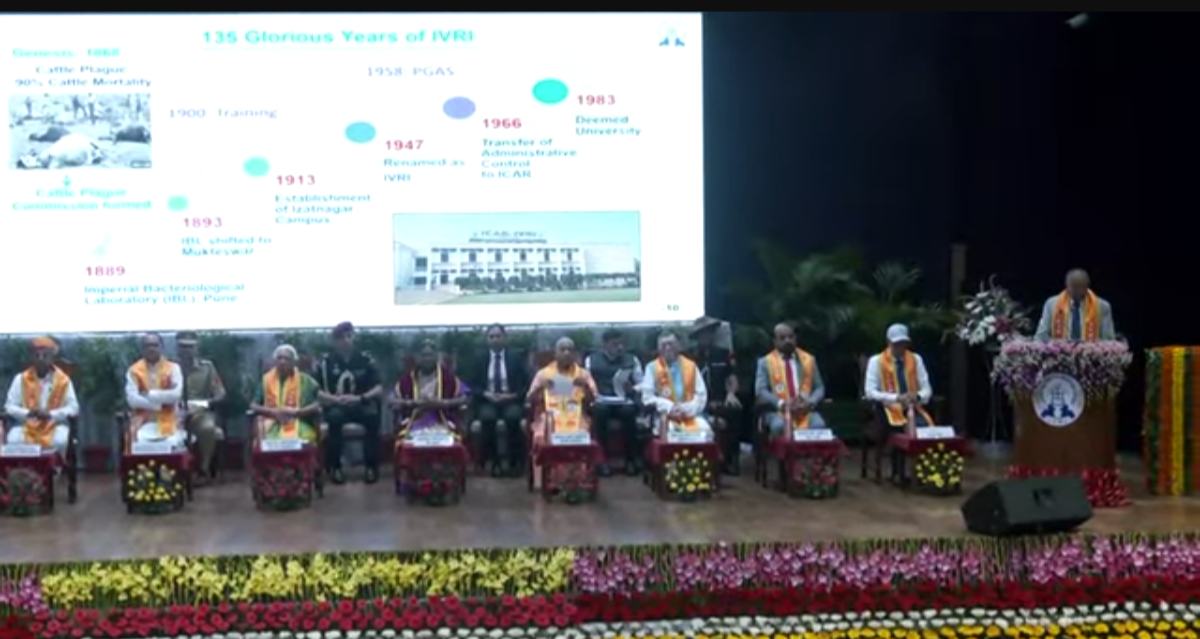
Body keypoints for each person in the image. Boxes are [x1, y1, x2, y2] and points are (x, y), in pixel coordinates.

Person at [315, 322, 383, 484]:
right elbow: (316, 390)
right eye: (341, 338)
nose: (346, 340)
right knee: (334, 419)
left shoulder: (365, 359)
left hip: (360, 403)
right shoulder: (325, 362)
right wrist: (334, 399)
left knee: (373, 418)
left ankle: (371, 467)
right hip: (337, 405)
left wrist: (361, 398)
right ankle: (336, 467)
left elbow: (379, 388)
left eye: (349, 336)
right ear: (335, 341)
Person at [864, 324, 933, 481]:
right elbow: (870, 392)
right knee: (896, 427)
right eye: (896, 344)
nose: (900, 348)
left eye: (903, 343)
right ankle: (898, 471)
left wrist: (916, 396)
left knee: (924, 427)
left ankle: (924, 471)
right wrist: (896, 398)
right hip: (887, 407)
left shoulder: (916, 360)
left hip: (912, 407)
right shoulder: (876, 361)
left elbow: (927, 389)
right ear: (888, 342)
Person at [4, 337, 79, 456]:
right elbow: (9, 407)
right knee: (13, 439)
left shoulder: (63, 381)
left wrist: (51, 414)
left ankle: (53, 467)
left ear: (52, 358)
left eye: (45, 355)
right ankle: (24, 468)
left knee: (60, 440)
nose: (40, 359)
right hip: (28, 427)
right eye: (37, 355)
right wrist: (28, 413)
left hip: (54, 426)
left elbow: (73, 408)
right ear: (31, 357)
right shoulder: (21, 379)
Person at [472, 323, 530, 477]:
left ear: (505, 338)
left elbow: (526, 385)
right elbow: (472, 386)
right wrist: (486, 394)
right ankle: (494, 463)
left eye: (498, 336)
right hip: (487, 400)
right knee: (488, 419)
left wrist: (511, 396)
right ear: (487, 339)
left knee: (513, 418)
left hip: (510, 399)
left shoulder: (516, 359)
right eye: (492, 337)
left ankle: (514, 463)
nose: (495, 340)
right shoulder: (479, 360)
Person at [584, 329, 644, 476]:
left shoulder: (632, 359)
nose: (620, 347)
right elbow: (586, 383)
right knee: (600, 412)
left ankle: (631, 460)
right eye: (615, 344)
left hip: (623, 400)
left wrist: (633, 388)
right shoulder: (591, 360)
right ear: (605, 344)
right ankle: (602, 461)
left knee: (629, 412)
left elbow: (643, 383)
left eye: (621, 344)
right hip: (601, 400)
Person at [688, 316, 742, 474]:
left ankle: (729, 460)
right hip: (695, 401)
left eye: (710, 332)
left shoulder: (723, 354)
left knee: (734, 411)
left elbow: (732, 378)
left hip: (720, 399)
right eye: (703, 333)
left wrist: (731, 393)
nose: (708, 336)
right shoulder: (688, 357)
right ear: (697, 336)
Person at [754, 322, 827, 436]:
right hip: (778, 411)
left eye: (790, 337)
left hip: (805, 410)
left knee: (819, 425)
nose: (787, 341)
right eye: (782, 338)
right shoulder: (765, 362)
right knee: (779, 426)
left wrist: (810, 402)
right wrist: (782, 404)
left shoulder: (809, 360)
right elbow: (761, 390)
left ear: (795, 338)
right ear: (774, 341)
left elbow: (819, 387)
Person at [175, 331, 225, 483]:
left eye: (190, 347)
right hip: (173, 412)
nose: (187, 350)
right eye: (183, 347)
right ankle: (173, 470)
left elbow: (220, 393)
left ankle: (204, 469)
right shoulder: (170, 368)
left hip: (200, 412)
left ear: (197, 348)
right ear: (177, 348)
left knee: (209, 429)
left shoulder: (207, 368)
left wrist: (206, 404)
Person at [392, 340, 469, 437]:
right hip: (415, 421)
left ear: (436, 356)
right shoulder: (408, 379)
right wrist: (412, 403)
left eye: (430, 355)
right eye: (424, 355)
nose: (427, 359)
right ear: (418, 357)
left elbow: (465, 398)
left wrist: (443, 403)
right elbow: (392, 400)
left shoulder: (448, 377)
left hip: (442, 421)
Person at [639, 332, 711, 434]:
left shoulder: (691, 366)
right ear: (658, 348)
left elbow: (701, 395)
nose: (668, 348)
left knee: (704, 430)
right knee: (671, 432)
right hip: (664, 416)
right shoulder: (651, 368)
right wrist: (670, 407)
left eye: (671, 344)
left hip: (690, 414)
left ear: (679, 346)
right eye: (663, 345)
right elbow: (647, 397)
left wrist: (685, 409)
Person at [125, 333, 186, 449]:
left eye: (155, 345)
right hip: (142, 418)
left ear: (162, 347)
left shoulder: (173, 368)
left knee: (171, 442)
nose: (151, 348)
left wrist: (149, 395)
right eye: (148, 345)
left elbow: (176, 395)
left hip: (169, 417)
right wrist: (159, 404)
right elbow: (132, 400)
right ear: (142, 349)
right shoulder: (134, 370)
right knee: (135, 440)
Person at [250, 345, 321, 444]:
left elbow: (319, 403)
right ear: (275, 362)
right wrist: (273, 412)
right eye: (279, 358)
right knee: (266, 439)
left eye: (286, 359)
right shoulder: (266, 380)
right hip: (271, 422)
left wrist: (298, 412)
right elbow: (253, 405)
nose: (282, 362)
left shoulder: (305, 380)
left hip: (298, 422)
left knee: (305, 438)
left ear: (294, 362)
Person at [1034, 268, 1116, 342]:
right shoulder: (1051, 304)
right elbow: (1041, 336)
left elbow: (1108, 339)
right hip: (1059, 351)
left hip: (1092, 352)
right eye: (1074, 287)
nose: (1077, 290)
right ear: (1066, 285)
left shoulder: (1102, 306)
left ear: (1087, 286)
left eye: (1081, 287)